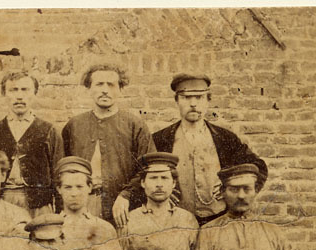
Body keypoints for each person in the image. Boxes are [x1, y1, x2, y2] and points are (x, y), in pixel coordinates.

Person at [112, 74, 266, 228]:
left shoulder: (225, 138)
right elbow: (140, 173)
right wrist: (128, 196)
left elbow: (257, 166)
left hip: (217, 218)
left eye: (199, 97)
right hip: (176, 221)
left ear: (208, 101)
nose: (193, 104)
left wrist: (229, 185)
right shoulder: (161, 139)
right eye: (186, 97)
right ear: (177, 101)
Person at [61, 64, 153, 222]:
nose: (105, 90)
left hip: (123, 207)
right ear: (89, 88)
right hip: (82, 205)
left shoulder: (134, 125)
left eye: (111, 85)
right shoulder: (74, 125)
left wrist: (126, 195)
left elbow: (148, 168)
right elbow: (62, 168)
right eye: (99, 84)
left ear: (120, 89)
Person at [116, 153, 197, 250]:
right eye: (153, 178)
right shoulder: (130, 220)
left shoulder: (187, 219)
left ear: (173, 183)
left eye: (164, 178)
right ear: (143, 183)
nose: (159, 184)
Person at [0, 70, 64, 213]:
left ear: (34, 93)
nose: (19, 96)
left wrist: (61, 210)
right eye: (13, 90)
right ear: (4, 94)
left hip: (38, 204)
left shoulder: (49, 130)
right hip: (1, 200)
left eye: (25, 90)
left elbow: (59, 174)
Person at [54, 156, 122, 250]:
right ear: (59, 189)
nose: (74, 193)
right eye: (68, 187)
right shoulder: (50, 227)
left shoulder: (104, 228)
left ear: (90, 187)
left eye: (79, 187)